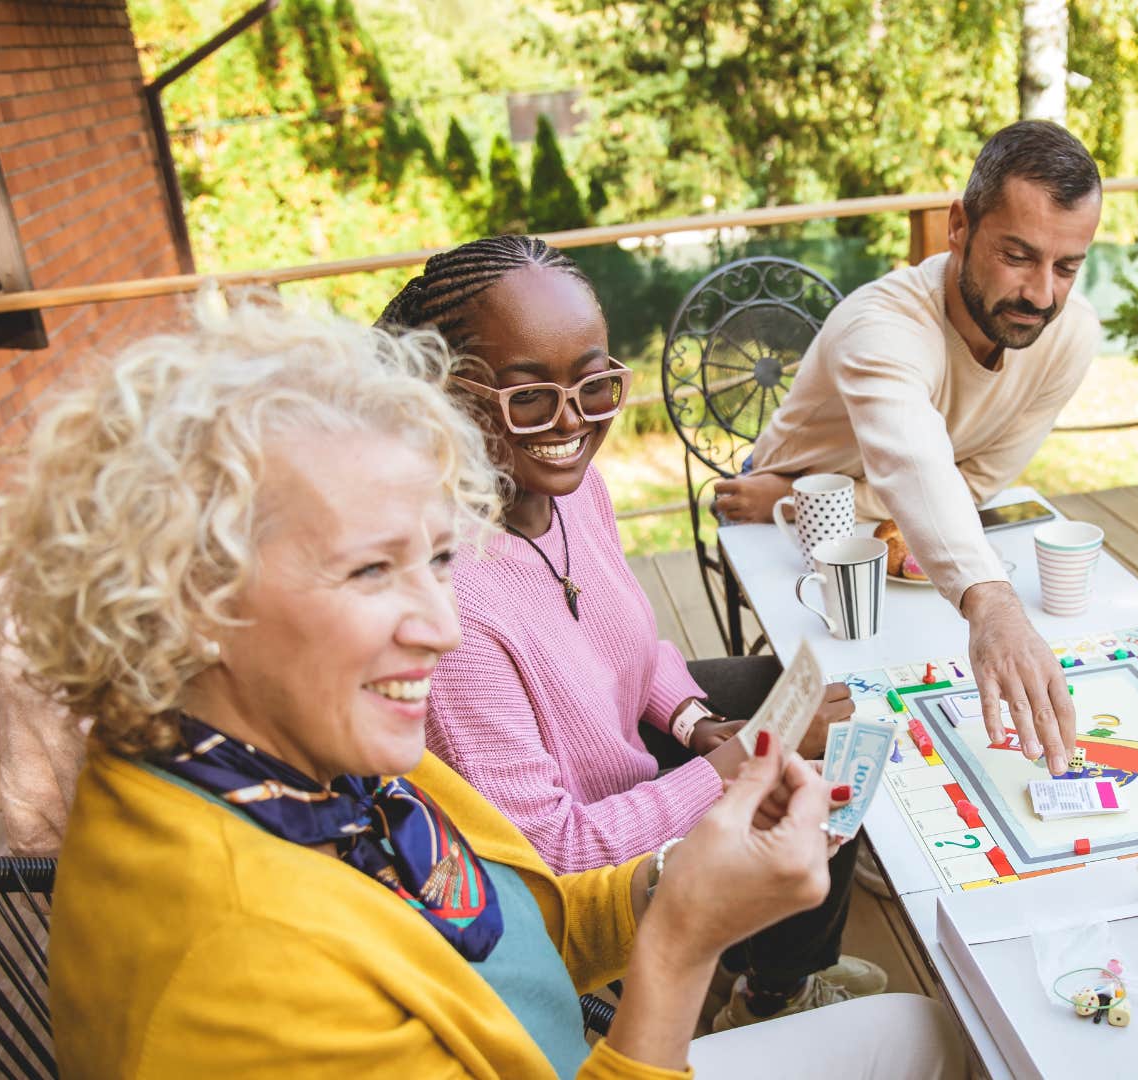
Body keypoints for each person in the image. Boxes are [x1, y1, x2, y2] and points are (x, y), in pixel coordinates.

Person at [0, 296, 962, 1078]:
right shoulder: (242, 968)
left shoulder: (305, 758)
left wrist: (682, 878)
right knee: (935, 1036)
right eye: (371, 571)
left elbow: (518, 929)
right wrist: (679, 951)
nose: (444, 627)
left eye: (441, 560)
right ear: (189, 598)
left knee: (918, 1031)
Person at [377, 237, 882, 1032]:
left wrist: (696, 720)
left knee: (794, 700)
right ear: (451, 394)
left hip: (630, 767)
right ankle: (751, 985)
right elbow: (557, 860)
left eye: (595, 384)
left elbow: (633, 647)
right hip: (586, 856)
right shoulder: (455, 607)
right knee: (792, 736)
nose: (572, 422)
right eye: (530, 397)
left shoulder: (576, 490)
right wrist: (744, 758)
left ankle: (776, 982)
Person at [711, 120, 1105, 777]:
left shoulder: (1071, 335)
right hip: (785, 519)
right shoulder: (881, 323)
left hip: (905, 517)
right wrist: (990, 601)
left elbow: (970, 485)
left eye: (1066, 267)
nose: (1041, 295)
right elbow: (916, 462)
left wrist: (867, 501)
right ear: (960, 226)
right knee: (876, 672)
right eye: (1018, 255)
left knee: (941, 669)